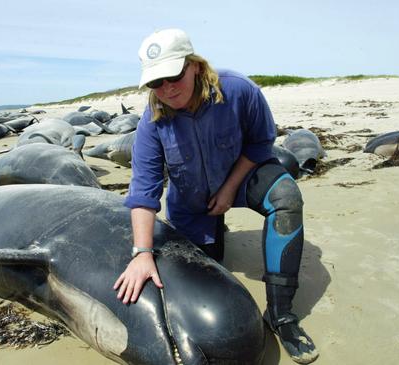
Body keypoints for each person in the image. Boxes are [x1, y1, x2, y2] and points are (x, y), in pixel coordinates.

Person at [112, 28, 319, 364]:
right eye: (155, 83)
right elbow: (144, 188)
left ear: (194, 64)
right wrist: (142, 253)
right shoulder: (152, 122)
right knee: (207, 267)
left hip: (243, 178)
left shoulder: (238, 90)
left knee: (286, 196)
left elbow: (260, 143)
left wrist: (228, 189)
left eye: (173, 75)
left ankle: (282, 316)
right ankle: (214, 232)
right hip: (192, 201)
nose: (166, 89)